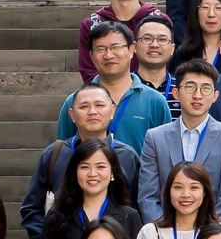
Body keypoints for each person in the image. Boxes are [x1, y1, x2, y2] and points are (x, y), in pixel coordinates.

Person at [34, 137, 146, 239]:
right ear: (75, 172)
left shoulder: (129, 217)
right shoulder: (57, 215)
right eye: (85, 167)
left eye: (100, 167)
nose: (92, 174)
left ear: (112, 172)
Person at [140, 62, 221, 227]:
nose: (197, 95)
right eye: (190, 87)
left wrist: (205, 233)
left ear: (215, 96)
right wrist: (164, 230)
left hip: (211, 233)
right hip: (165, 231)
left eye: (206, 88)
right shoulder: (155, 138)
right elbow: (147, 196)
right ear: (176, 93)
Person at [61, 21, 173, 152]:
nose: (108, 55)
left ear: (131, 49)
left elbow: (165, 154)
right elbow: (64, 152)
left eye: (116, 47)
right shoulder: (76, 102)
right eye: (100, 49)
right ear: (91, 55)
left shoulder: (155, 101)